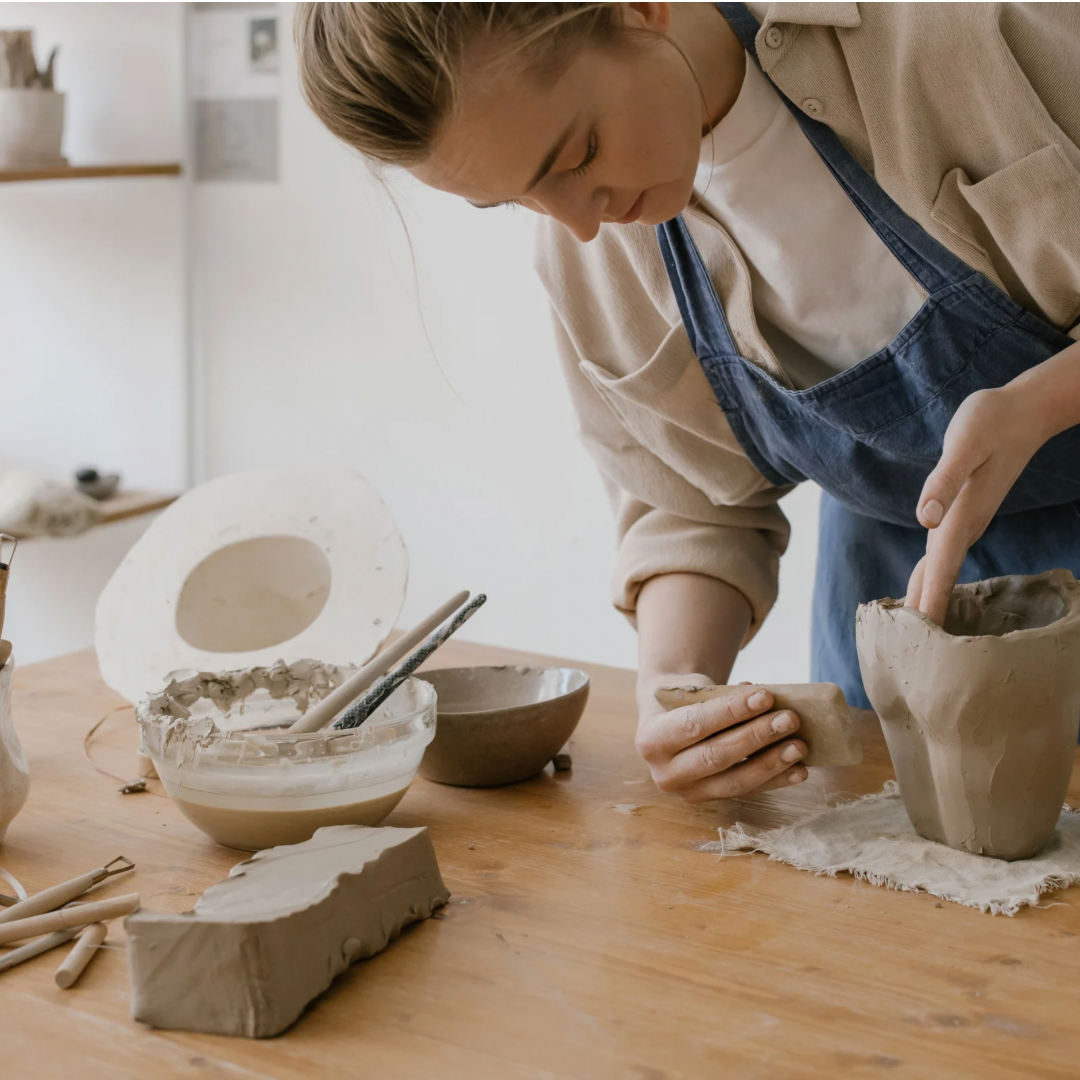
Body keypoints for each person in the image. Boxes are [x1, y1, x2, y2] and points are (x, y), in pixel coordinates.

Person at [295, 3, 1080, 802]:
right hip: (899, 593)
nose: (578, 222)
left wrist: (1046, 400)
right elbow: (695, 507)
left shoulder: (963, 31)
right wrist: (673, 687)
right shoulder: (587, 258)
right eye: (513, 200)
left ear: (639, 8)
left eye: (575, 155)